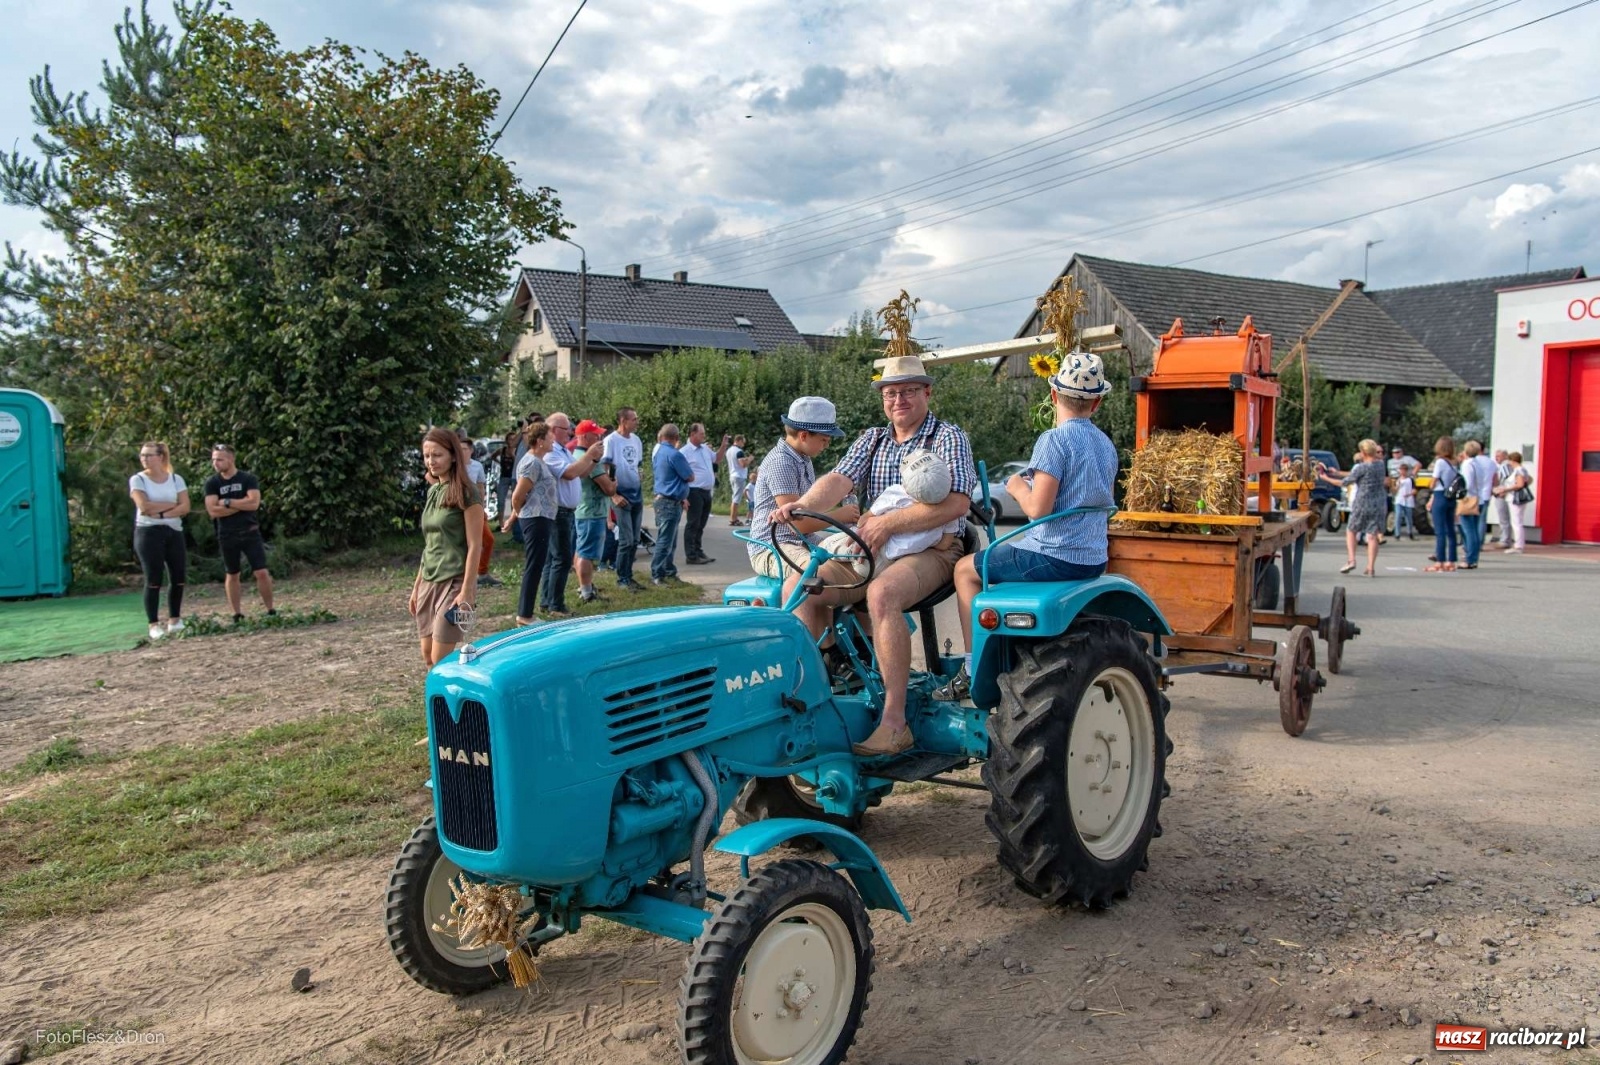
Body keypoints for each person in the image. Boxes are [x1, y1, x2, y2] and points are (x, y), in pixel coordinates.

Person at [773, 355, 977, 756]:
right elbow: (838, 479)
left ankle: (895, 723)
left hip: (934, 547)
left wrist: (889, 524)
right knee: (799, 585)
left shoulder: (948, 437)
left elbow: (956, 504)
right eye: (890, 393)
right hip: (875, 544)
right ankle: (811, 697)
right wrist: (802, 506)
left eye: (908, 391)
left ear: (927, 393)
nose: (898, 399)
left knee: (882, 595)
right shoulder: (873, 439)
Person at [932, 354, 1117, 701]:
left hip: (1056, 554)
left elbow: (1037, 510)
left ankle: (971, 667)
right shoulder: (1105, 444)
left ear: (1053, 396)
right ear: (1097, 403)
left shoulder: (1054, 441)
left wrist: (1017, 486)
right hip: (1093, 556)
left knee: (966, 570)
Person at [746, 398, 859, 641]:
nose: (827, 445)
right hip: (773, 545)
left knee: (853, 556)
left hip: (799, 541)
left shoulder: (801, 459)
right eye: (824, 440)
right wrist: (839, 516)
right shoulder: (781, 463)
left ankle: (855, 641)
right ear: (805, 435)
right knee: (819, 572)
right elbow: (797, 522)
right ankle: (822, 652)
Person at [409, 427, 484, 664]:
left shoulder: (467, 492)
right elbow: (430, 543)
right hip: (429, 580)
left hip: (454, 582)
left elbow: (475, 545)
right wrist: (417, 585)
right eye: (427, 456)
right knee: (427, 657)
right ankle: (436, 702)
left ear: (453, 455)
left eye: (437, 455)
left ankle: (451, 701)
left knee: (441, 658)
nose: (431, 461)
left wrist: (467, 590)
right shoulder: (433, 491)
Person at [539, 413, 605, 616]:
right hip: (558, 511)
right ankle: (555, 605)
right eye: (565, 428)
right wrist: (588, 455)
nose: (570, 432)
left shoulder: (560, 450)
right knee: (561, 559)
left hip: (566, 511)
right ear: (552, 430)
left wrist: (592, 459)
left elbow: (580, 472)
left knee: (555, 559)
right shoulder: (551, 453)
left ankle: (547, 601)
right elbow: (568, 473)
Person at [203, 444, 276, 623]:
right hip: (226, 534)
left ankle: (271, 609)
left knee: (261, 572)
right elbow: (212, 510)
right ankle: (237, 613)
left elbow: (253, 504)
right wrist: (239, 504)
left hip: (250, 531)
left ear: (231, 459)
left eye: (219, 459)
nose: (216, 463)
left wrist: (227, 502)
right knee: (232, 573)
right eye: (213, 460)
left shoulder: (247, 479)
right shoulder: (212, 483)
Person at [128, 441, 190, 641]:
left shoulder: (175, 479)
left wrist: (161, 512)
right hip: (148, 532)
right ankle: (153, 624)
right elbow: (144, 506)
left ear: (161, 457)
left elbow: (185, 506)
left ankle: (175, 620)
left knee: (178, 575)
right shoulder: (138, 480)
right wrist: (171, 507)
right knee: (154, 578)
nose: (144, 459)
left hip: (173, 530)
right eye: (142, 455)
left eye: (149, 455)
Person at [501, 422, 558, 625]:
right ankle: (524, 615)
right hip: (535, 519)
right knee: (534, 565)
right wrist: (516, 514)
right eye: (550, 438)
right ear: (540, 441)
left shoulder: (538, 461)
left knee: (537, 564)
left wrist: (513, 518)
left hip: (540, 517)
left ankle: (527, 613)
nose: (553, 441)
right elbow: (518, 496)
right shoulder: (532, 462)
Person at [1319, 439, 1386, 576]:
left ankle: (1351, 560)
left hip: (1362, 501)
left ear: (1363, 452)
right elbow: (1354, 474)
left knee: (1351, 530)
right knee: (1372, 535)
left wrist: (1326, 478)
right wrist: (1337, 472)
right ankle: (1370, 567)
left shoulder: (1362, 467)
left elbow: (1345, 482)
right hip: (1378, 503)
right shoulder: (1380, 465)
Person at [572, 419, 622, 604]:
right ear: (585, 437)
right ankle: (587, 592)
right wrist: (614, 484)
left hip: (583, 510)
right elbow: (608, 489)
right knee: (586, 553)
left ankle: (584, 586)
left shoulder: (577, 454)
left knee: (580, 550)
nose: (600, 438)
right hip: (592, 512)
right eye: (596, 434)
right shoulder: (590, 459)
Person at [602, 407, 645, 591]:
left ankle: (629, 575)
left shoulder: (636, 440)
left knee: (635, 539)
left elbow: (638, 463)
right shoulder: (611, 441)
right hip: (621, 495)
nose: (637, 422)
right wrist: (613, 495)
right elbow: (605, 469)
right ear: (623, 421)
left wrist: (639, 474)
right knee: (626, 539)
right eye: (634, 419)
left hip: (637, 494)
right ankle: (621, 578)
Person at [650, 423, 694, 585]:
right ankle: (657, 573)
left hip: (663, 498)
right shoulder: (675, 455)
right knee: (665, 540)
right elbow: (689, 476)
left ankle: (668, 570)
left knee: (669, 539)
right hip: (670, 501)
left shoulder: (658, 452)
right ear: (676, 438)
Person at [680, 423, 729, 565]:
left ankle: (698, 550)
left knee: (701, 524)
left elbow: (717, 459)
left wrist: (723, 445)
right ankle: (691, 555)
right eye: (701, 434)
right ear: (693, 434)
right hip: (694, 491)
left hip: (706, 491)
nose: (704, 436)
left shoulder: (705, 449)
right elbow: (680, 475)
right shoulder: (685, 452)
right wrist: (683, 496)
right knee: (693, 523)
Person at [1459, 440, 1495, 569]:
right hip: (1478, 498)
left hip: (1468, 498)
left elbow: (1467, 483)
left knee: (1468, 530)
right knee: (1474, 530)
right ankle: (1473, 558)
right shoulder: (1478, 464)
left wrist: (1458, 492)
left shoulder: (1467, 464)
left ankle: (1469, 558)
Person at [1425, 437, 1459, 573]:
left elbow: (1433, 481)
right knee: (1450, 530)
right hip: (1451, 496)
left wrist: (1430, 485)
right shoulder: (1455, 462)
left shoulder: (1440, 462)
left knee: (1440, 531)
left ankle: (1440, 562)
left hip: (1440, 495)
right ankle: (1451, 561)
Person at [1492, 451, 1532, 553]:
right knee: (1518, 521)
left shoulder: (1518, 470)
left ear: (1513, 460)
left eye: (1509, 460)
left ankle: (1518, 546)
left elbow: (1519, 484)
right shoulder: (1522, 470)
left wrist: (1505, 489)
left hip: (1515, 498)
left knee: (1516, 522)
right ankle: (1519, 544)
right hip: (1517, 498)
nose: (1508, 462)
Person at [1488, 448, 1514, 548]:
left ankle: (1505, 540)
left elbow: (1507, 479)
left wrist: (1502, 490)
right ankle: (1506, 539)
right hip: (1505, 493)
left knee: (1503, 518)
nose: (1496, 458)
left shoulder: (1504, 466)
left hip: (1502, 494)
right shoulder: (1507, 465)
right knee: (1505, 518)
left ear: (1505, 456)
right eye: (1496, 456)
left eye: (1499, 456)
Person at [727, 434, 751, 526]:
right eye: (743, 442)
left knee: (735, 497)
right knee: (736, 498)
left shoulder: (729, 450)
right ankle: (733, 519)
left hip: (732, 474)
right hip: (739, 476)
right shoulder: (739, 451)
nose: (743, 445)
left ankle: (733, 517)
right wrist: (749, 459)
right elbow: (742, 464)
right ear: (739, 441)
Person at [494, 428, 518, 520]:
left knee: (514, 500)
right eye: (510, 439)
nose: (511, 441)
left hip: (514, 477)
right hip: (504, 477)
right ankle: (501, 522)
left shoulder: (516, 451)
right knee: (501, 500)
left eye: (513, 439)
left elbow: (518, 462)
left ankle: (513, 522)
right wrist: (499, 462)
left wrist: (512, 455)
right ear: (506, 440)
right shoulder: (502, 450)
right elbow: (493, 456)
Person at [1393, 461, 1417, 541]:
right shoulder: (1397, 480)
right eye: (1401, 470)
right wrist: (1397, 486)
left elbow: (1414, 490)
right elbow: (1394, 490)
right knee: (1398, 516)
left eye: (1404, 470)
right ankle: (1397, 534)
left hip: (1408, 500)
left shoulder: (1410, 480)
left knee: (1408, 518)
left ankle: (1410, 532)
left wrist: (1409, 494)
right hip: (1399, 500)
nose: (1402, 472)